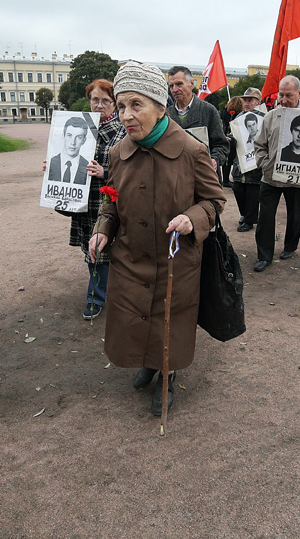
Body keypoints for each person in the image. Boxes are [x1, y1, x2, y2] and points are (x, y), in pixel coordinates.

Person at [88, 61, 225, 416]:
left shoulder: (193, 150)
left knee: (168, 321)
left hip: (175, 261)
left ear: (159, 106)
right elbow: (110, 200)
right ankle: (147, 364)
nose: (126, 115)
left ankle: (167, 374)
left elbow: (214, 201)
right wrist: (103, 231)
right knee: (135, 317)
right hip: (131, 259)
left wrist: (191, 217)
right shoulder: (118, 153)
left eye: (137, 105)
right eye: (121, 106)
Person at [67, 79, 126, 320]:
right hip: (85, 201)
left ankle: (96, 297)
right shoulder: (81, 128)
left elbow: (133, 170)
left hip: (110, 202)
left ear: (113, 103)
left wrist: (106, 173)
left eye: (105, 101)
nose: (99, 105)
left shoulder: (124, 130)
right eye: (95, 100)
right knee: (90, 249)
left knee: (105, 249)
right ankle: (102, 290)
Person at [252, 75, 300, 272]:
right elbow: (259, 144)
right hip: (271, 176)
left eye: (288, 95)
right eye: (281, 95)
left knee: (295, 215)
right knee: (265, 216)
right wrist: (264, 162)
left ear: (299, 93)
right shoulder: (270, 116)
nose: (283, 100)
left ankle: (290, 246)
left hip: (298, 178)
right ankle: (264, 255)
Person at [166, 65, 229, 173]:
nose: (174, 90)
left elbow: (221, 144)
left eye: (179, 84)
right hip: (175, 178)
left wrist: (215, 159)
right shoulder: (166, 115)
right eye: (171, 86)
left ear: (191, 84)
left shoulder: (209, 111)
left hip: (204, 178)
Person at [232, 101, 263, 233]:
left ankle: (249, 220)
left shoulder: (264, 117)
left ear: (258, 102)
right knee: (238, 188)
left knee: (252, 192)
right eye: (245, 100)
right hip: (240, 163)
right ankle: (244, 214)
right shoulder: (238, 118)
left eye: (250, 100)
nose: (246, 103)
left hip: (256, 164)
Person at [48, 117, 90, 185]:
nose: (73, 142)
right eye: (69, 136)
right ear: (63, 136)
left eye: (79, 137)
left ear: (84, 140)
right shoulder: (51, 162)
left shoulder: (88, 166)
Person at [219, 96, 243, 188]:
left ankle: (225, 179)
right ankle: (226, 180)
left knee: (227, 160)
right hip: (231, 138)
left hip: (225, 136)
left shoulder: (224, 112)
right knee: (230, 160)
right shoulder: (237, 115)